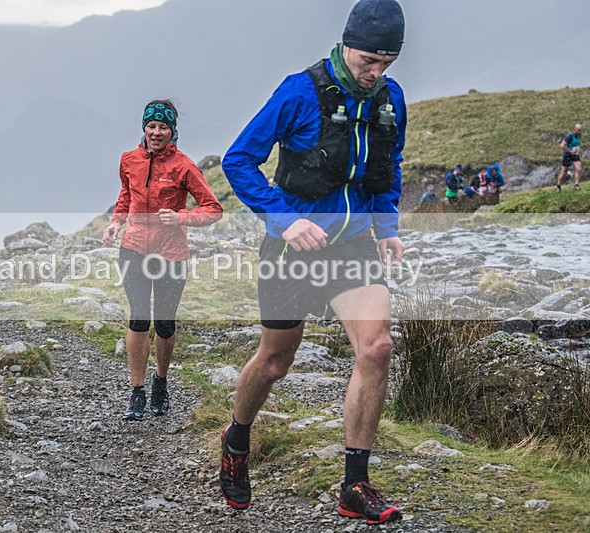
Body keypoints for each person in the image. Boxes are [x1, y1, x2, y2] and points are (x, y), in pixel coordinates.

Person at [219, 0, 407, 525]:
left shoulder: (390, 100)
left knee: (378, 347)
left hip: (351, 248)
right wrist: (285, 221)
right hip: (293, 248)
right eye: (369, 60)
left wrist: (387, 230)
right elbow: (239, 160)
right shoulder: (301, 91)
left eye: (386, 64)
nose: (376, 73)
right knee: (276, 361)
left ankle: (354, 484)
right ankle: (237, 440)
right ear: (347, 45)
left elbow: (389, 168)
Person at [103, 100, 222, 421]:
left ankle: (161, 382)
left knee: (165, 323)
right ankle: (137, 391)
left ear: (173, 131)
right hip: (133, 248)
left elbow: (213, 209)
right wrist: (116, 222)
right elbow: (125, 196)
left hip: (171, 254)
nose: (156, 133)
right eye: (151, 126)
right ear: (144, 128)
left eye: (163, 127)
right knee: (139, 319)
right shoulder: (129, 160)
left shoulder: (184, 166)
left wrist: (182, 216)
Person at [556, 123, 582, 191]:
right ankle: (558, 185)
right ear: (575, 129)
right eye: (578, 130)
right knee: (564, 172)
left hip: (575, 154)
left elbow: (577, 144)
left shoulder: (579, 135)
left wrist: (579, 150)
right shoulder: (569, 136)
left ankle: (576, 185)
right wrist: (570, 151)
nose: (579, 132)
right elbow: (562, 145)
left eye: (580, 130)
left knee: (579, 169)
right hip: (567, 155)